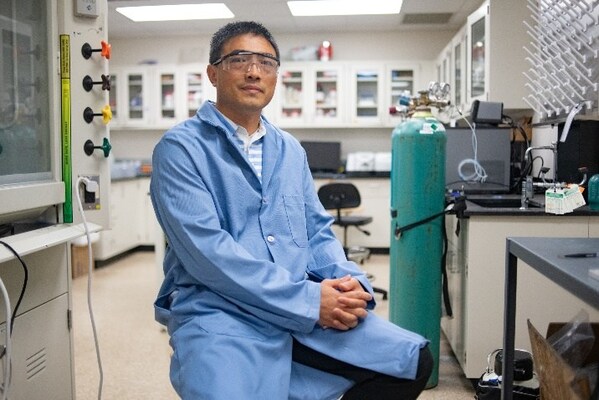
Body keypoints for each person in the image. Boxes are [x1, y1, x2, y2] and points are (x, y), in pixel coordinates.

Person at [150, 20, 433, 400]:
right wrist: (310, 301)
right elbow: (209, 255)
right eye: (240, 60)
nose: (254, 71)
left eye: (266, 63)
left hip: (301, 302)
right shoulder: (180, 149)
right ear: (213, 73)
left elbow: (316, 231)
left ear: (276, 76)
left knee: (412, 361)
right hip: (219, 309)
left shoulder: (289, 150)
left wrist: (350, 283)